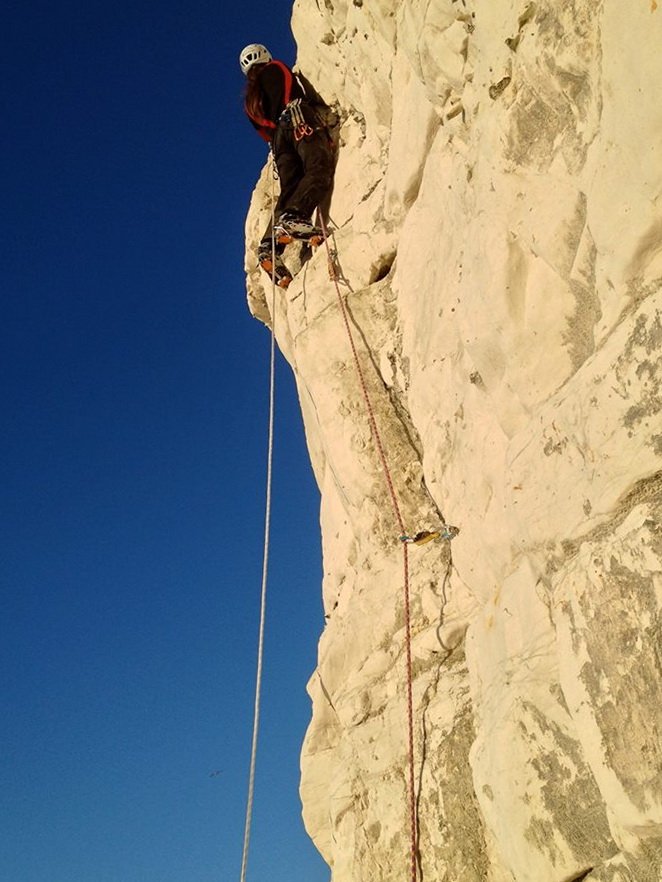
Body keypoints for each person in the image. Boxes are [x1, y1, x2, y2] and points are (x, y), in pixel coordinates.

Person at [240, 43, 336, 288]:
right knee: (318, 168)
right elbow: (292, 92)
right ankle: (294, 217)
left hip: (279, 142)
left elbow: (264, 131)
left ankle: (269, 245)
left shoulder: (250, 100)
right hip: (297, 118)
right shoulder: (275, 69)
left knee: (290, 190)